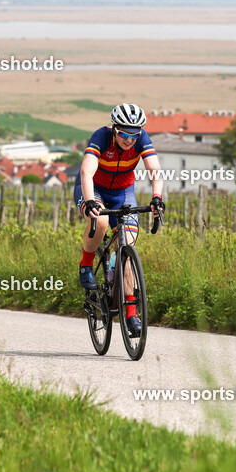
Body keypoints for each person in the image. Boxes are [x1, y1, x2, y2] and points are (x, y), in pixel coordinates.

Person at [74, 103, 165, 337]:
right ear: (115, 130)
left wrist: (157, 197)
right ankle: (86, 265)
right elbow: (86, 171)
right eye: (124, 134)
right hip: (94, 189)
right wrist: (90, 201)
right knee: (101, 222)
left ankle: (131, 315)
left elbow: (154, 169)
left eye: (134, 135)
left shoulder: (141, 138)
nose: (129, 140)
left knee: (127, 245)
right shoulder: (102, 136)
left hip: (123, 192)